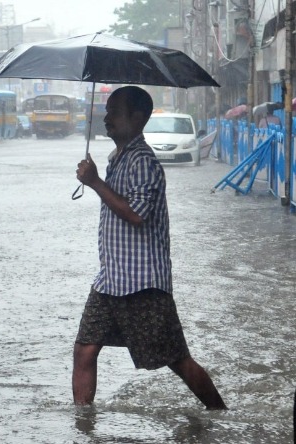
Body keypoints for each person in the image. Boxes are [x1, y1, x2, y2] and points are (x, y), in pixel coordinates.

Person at [73, 86, 227, 410]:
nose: (106, 118)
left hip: (143, 284)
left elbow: (136, 214)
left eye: (114, 111)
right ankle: (82, 423)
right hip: (111, 281)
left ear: (137, 118)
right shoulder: (119, 158)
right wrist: (97, 179)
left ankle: (218, 413)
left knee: (177, 360)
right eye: (107, 111)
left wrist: (96, 183)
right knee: (85, 349)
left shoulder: (143, 161)